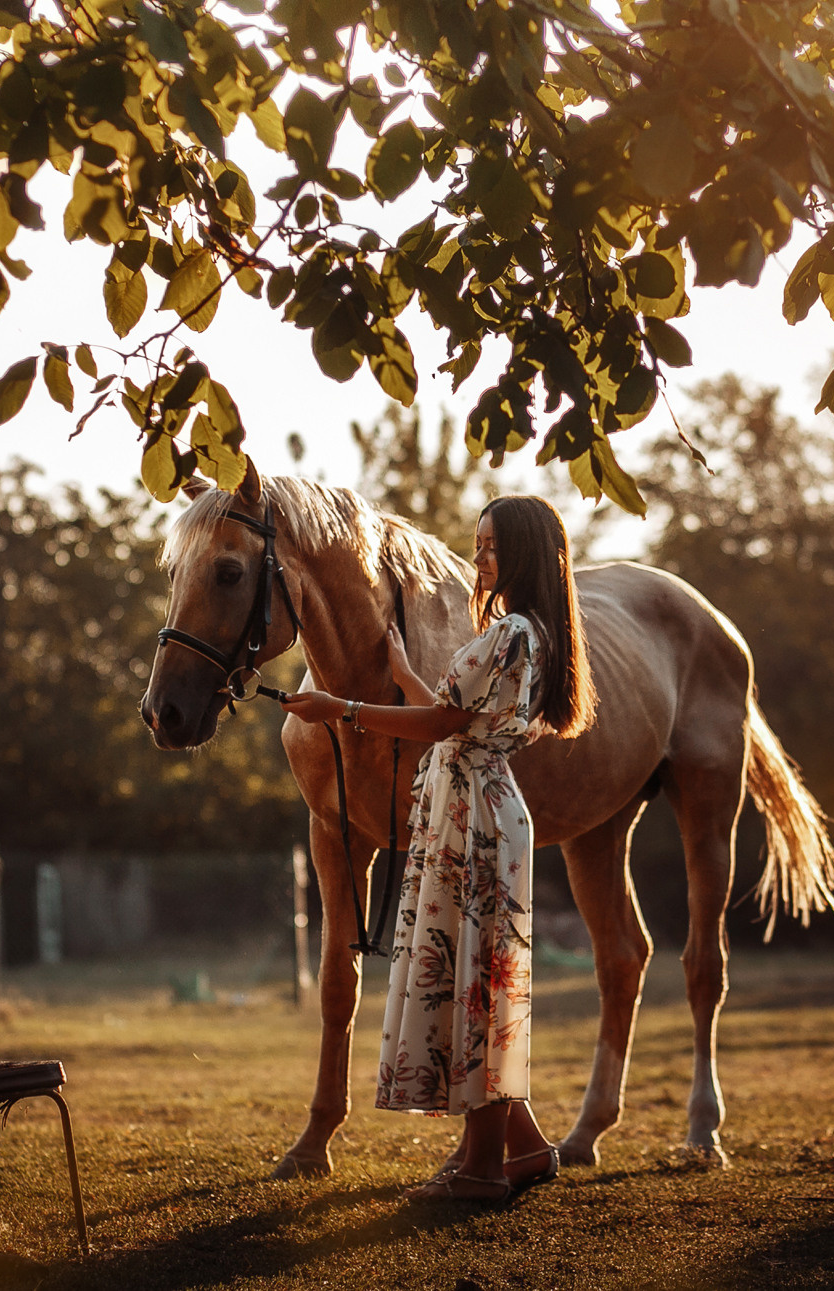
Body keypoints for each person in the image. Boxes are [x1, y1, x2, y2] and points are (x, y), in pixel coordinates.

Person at [279, 493, 597, 1202]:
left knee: (476, 988)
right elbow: (459, 719)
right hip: (480, 802)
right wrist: (399, 672)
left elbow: (440, 723)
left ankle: (483, 1171)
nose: (477, 557)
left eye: (489, 546)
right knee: (477, 981)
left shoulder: (510, 631)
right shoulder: (532, 632)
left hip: (474, 814)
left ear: (519, 554)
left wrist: (345, 709)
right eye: (477, 543)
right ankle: (528, 1149)